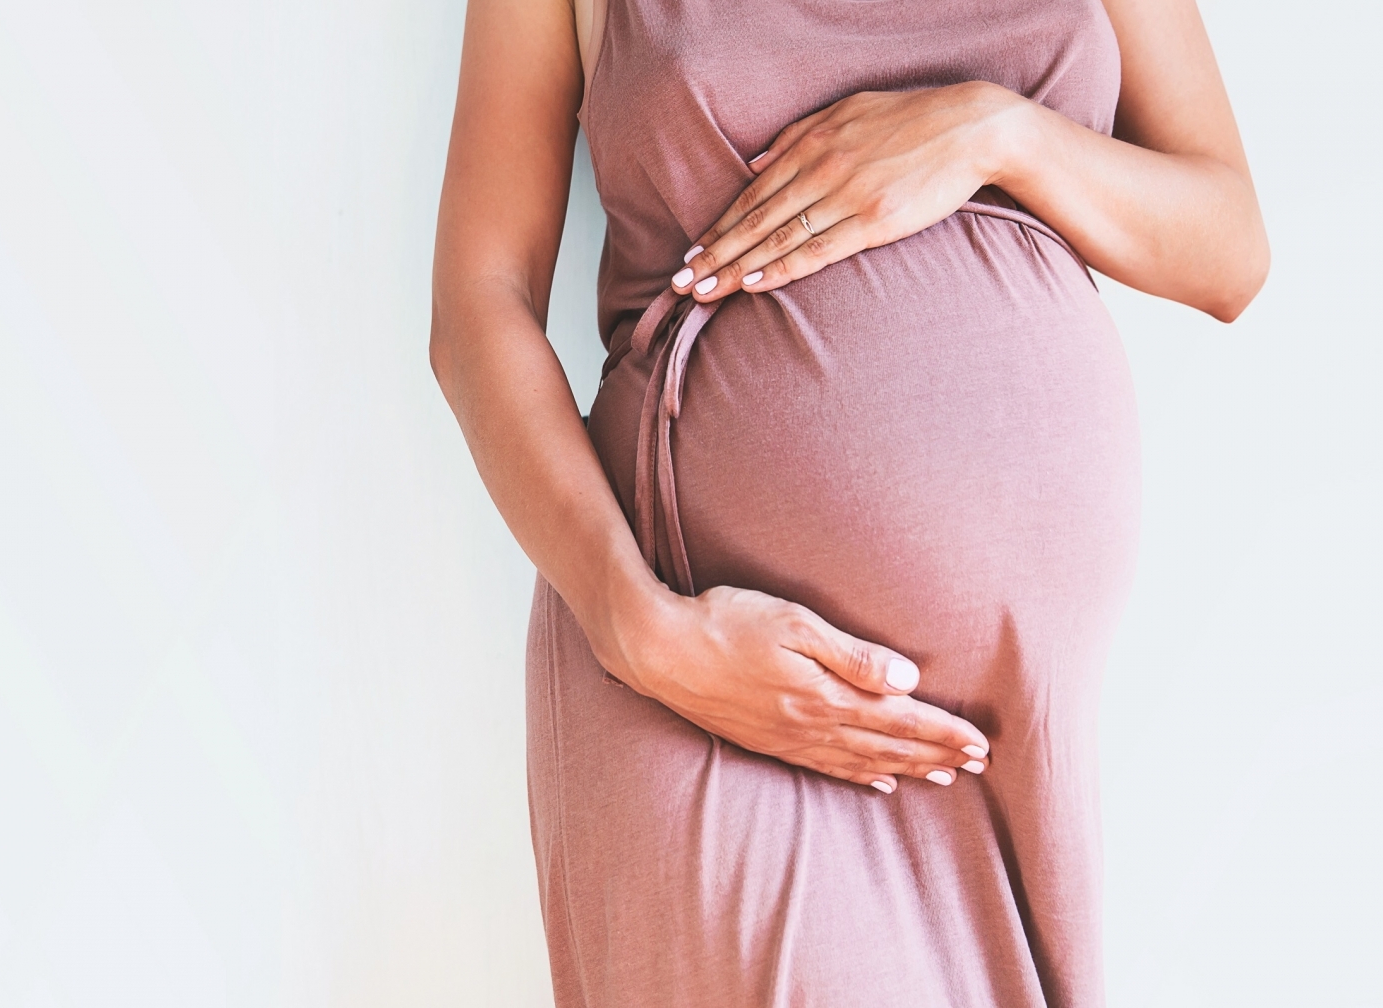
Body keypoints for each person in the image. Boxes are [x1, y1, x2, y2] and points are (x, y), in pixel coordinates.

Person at [430, 0, 1266, 1003]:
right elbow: (477, 301)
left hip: (1011, 731)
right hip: (707, 668)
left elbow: (1229, 248)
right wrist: (635, 626)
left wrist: (993, 132)